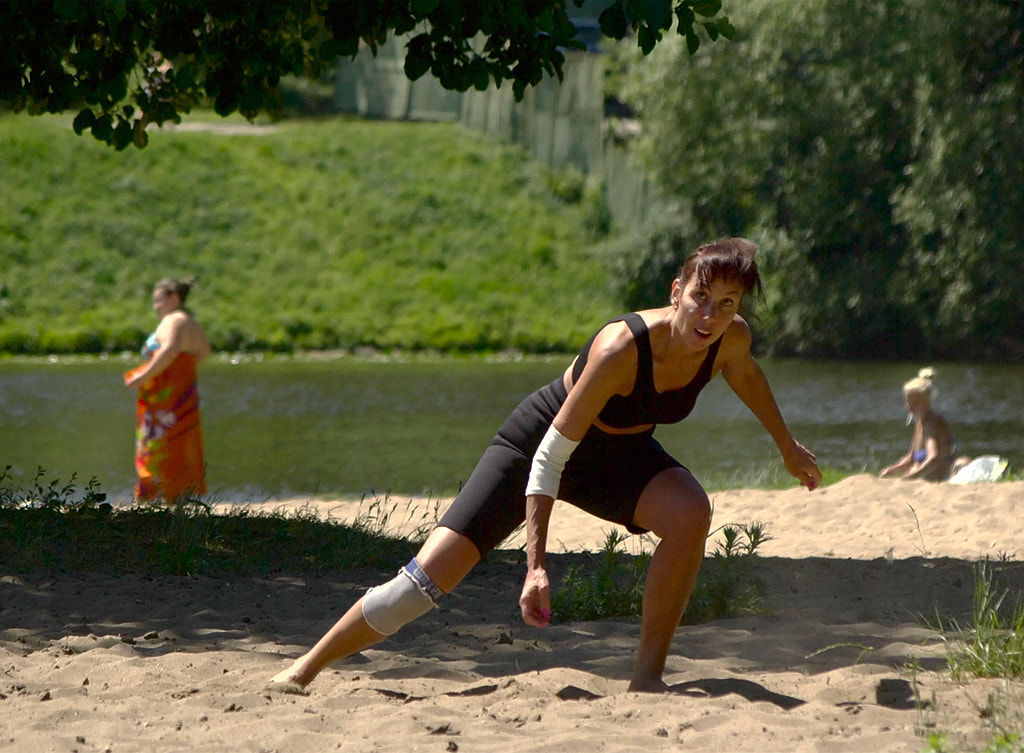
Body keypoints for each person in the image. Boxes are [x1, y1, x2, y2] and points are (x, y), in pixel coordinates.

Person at [268, 238, 821, 695]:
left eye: (727, 304)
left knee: (690, 513)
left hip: (618, 456)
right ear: (676, 292)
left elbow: (745, 376)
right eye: (701, 297)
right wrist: (535, 565)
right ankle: (306, 667)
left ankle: (647, 679)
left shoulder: (729, 341)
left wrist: (787, 447)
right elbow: (550, 457)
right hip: (535, 445)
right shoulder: (620, 349)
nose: (710, 316)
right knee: (421, 587)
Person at [124, 276, 211, 503]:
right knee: (180, 447)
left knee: (159, 447)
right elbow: (204, 351)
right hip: (182, 398)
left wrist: (143, 376)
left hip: (166, 403)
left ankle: (155, 499)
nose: (155, 307)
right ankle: (178, 499)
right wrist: (180, 374)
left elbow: (169, 350)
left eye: (158, 301)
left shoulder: (174, 320)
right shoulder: (190, 321)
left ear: (174, 298)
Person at [879, 367, 970, 482]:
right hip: (924, 471)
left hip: (938, 476)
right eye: (907, 402)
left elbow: (934, 458)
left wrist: (910, 478)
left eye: (914, 403)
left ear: (926, 401)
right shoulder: (920, 422)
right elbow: (911, 458)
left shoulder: (933, 423)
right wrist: (891, 470)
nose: (909, 407)